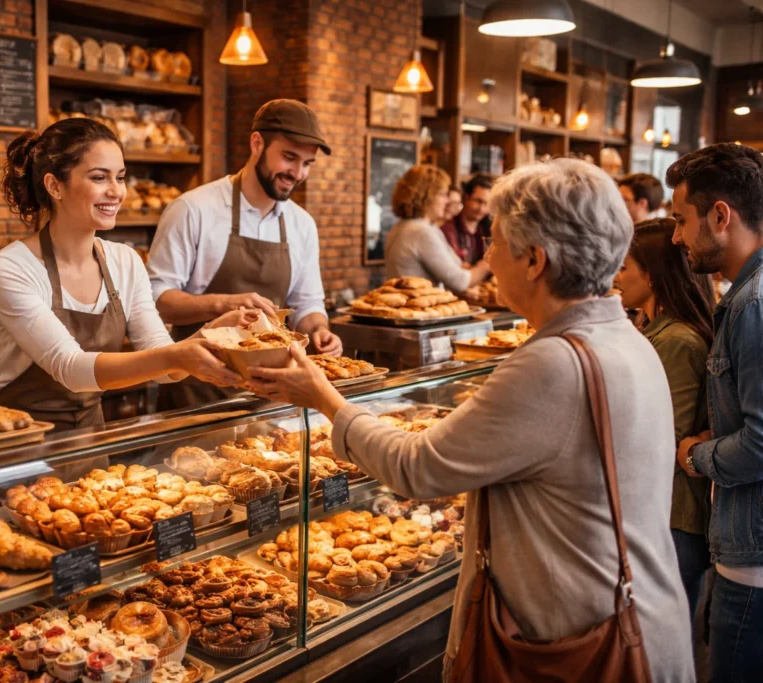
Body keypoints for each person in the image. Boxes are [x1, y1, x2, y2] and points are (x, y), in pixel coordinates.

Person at [249, 159, 694, 682]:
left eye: (495, 242)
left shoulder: (553, 363)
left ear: (534, 260)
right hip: (640, 616)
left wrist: (324, 397)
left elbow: (417, 468)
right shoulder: (628, 339)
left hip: (576, 648)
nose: (486, 256)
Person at [0, 118, 244, 432]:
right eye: (99, 177)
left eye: (120, 178)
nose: (116, 192)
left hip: (90, 441)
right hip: (16, 444)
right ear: (55, 186)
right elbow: (71, 369)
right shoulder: (10, 269)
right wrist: (180, 355)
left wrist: (210, 334)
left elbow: (161, 362)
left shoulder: (125, 261)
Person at [146, 99, 341, 357]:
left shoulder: (302, 224)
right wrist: (223, 304)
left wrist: (319, 330)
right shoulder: (193, 209)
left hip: (274, 386)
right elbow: (157, 301)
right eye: (289, 158)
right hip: (198, 385)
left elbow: (307, 303)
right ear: (257, 143)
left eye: (307, 163)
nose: (297, 173)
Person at [671, 143, 763, 683]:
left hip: (751, 563)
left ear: (721, 216)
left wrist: (695, 455)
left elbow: (760, 444)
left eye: (682, 220)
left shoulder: (751, 305)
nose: (677, 236)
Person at [614, 218, 714, 628]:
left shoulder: (676, 340)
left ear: (652, 276)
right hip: (662, 514)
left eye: (624, 267)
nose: (616, 277)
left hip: (672, 519)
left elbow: (661, 441)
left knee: (657, 646)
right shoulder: (655, 329)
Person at [384, 164, 490, 294]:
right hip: (419, 310)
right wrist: (486, 264)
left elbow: (455, 268)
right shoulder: (421, 232)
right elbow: (460, 281)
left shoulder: (407, 226)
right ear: (427, 196)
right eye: (444, 194)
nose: (447, 201)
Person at [440, 173, 492, 264]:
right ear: (466, 198)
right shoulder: (448, 229)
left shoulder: (489, 230)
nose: (482, 208)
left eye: (486, 204)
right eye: (478, 201)